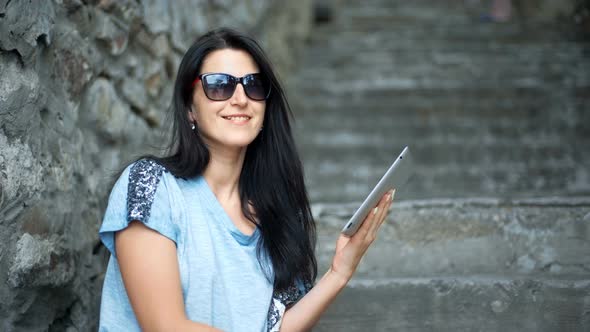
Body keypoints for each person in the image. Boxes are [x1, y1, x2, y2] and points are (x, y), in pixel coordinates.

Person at [97, 27, 395, 331]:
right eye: (219, 86)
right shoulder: (152, 186)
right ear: (190, 108)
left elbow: (275, 328)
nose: (240, 99)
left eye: (253, 85)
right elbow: (167, 326)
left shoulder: (277, 217)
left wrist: (339, 274)